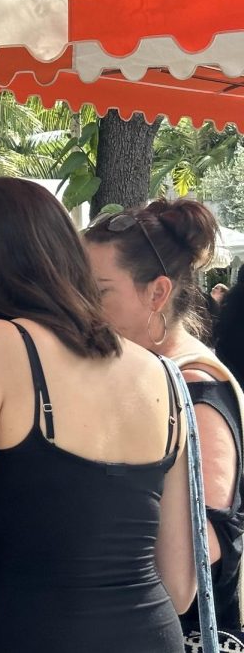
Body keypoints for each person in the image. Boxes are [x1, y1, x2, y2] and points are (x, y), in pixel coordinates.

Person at [0, 179, 194, 653]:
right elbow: (182, 586)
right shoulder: (163, 373)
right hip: (150, 634)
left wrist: (3, 552)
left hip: (32, 627)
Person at [86, 200, 244, 643]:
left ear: (157, 293)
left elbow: (201, 555)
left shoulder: (197, 390)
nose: (81, 308)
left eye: (97, 292)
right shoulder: (144, 374)